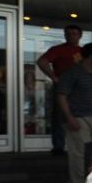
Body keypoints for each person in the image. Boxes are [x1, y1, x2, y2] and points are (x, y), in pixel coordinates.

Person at [56, 45, 92, 183]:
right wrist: (69, 118)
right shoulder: (72, 73)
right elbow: (62, 96)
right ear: (91, 56)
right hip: (77, 116)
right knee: (78, 153)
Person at [36, 24, 85, 155]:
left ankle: (77, 145)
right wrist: (54, 77)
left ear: (80, 36)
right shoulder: (58, 49)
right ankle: (58, 147)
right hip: (64, 87)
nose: (71, 36)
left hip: (80, 88)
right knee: (60, 116)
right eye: (68, 34)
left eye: (74, 33)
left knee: (80, 116)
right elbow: (42, 62)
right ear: (64, 35)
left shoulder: (83, 51)